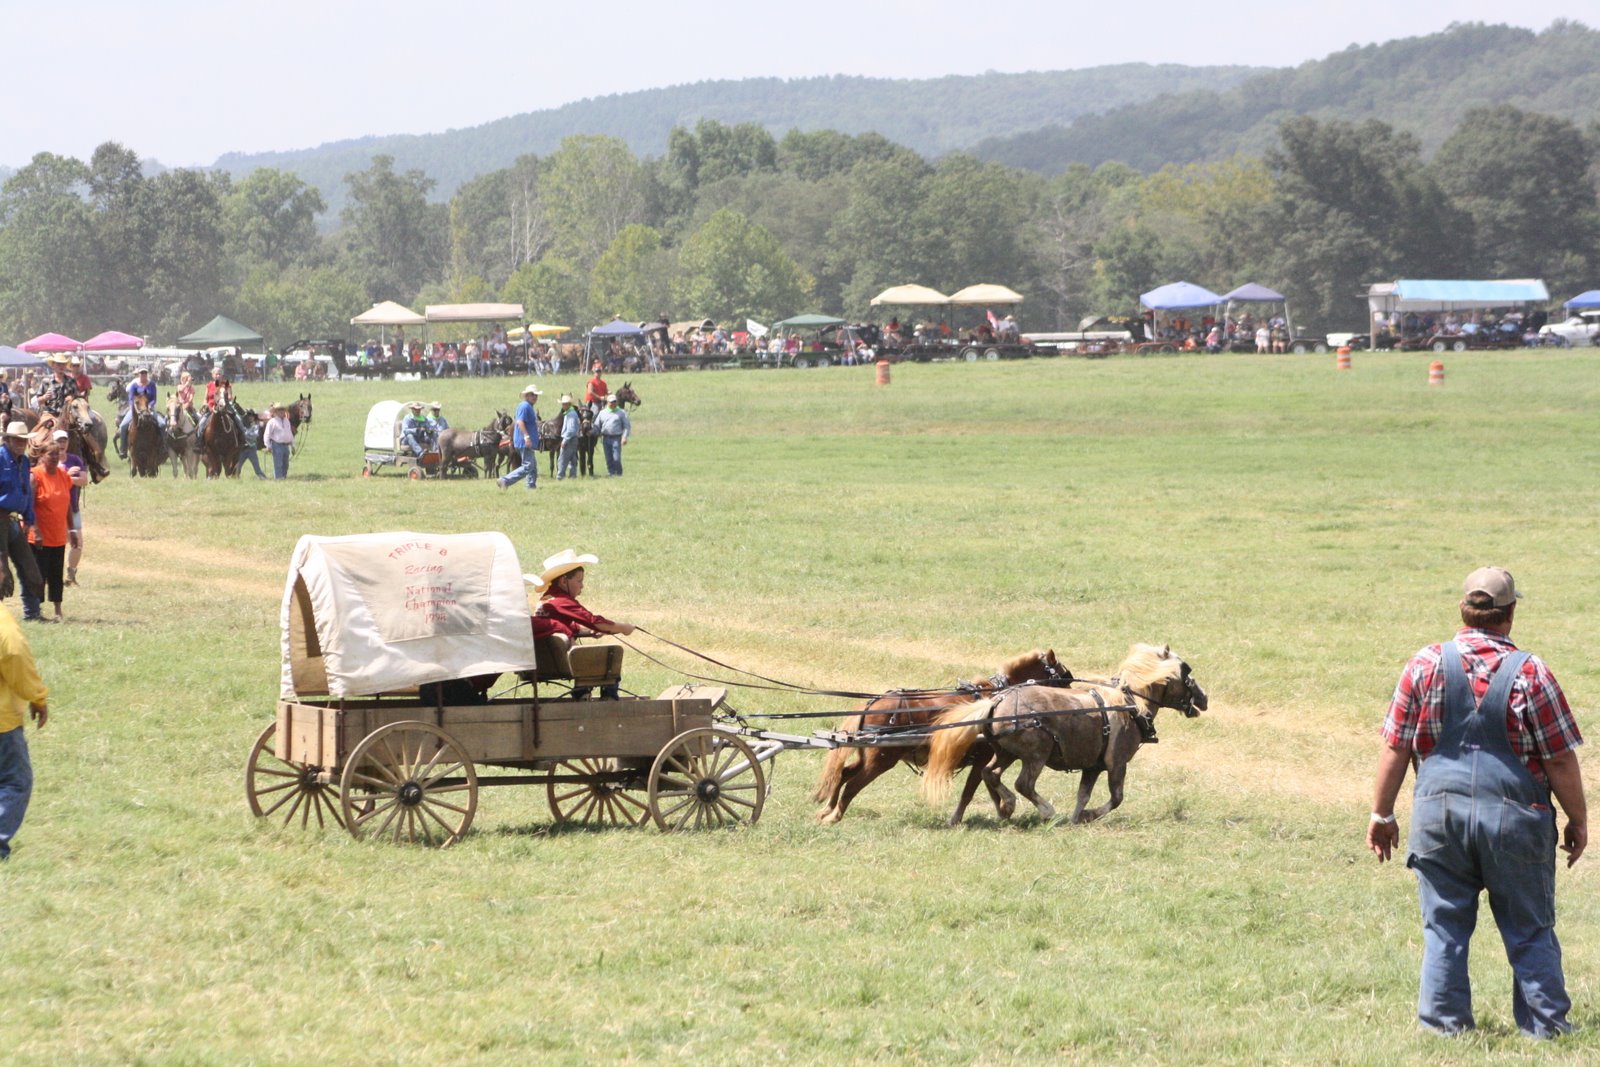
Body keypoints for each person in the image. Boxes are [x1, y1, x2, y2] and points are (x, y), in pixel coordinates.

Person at [1368, 566, 1587, 1039]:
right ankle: (1546, 1028)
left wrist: (1381, 814)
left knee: (1444, 929)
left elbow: (1396, 747)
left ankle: (1444, 1030)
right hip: (1517, 821)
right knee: (1529, 928)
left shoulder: (1424, 665)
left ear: (1464, 612)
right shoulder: (1531, 672)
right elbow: (1560, 760)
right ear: (1509, 616)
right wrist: (1578, 819)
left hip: (1438, 818)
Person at [527, 549, 635, 699]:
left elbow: (560, 626)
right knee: (611, 657)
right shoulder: (562, 601)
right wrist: (624, 628)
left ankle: (583, 692)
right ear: (564, 581)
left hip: (545, 660)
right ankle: (608, 699)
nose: (582, 586)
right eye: (579, 581)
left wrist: (589, 632)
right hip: (563, 662)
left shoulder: (546, 599)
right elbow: (594, 621)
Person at [0, 602, 49, 860]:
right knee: (15, 782)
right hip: (2, 725)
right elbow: (16, 657)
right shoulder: (4, 626)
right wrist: (37, 697)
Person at [25, 431, 84, 624]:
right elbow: (29, 505)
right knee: (39, 573)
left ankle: (58, 609)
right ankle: (36, 609)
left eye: (57, 453)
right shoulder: (35, 476)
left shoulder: (63, 476)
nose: (55, 457)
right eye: (51, 454)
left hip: (58, 535)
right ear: (42, 456)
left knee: (56, 574)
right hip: (39, 536)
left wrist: (72, 530)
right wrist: (35, 529)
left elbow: (67, 503)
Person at [0, 423, 41, 616]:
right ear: (7, 439)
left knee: (30, 568)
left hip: (15, 521)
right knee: (2, 572)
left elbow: (26, 493)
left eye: (23, 440)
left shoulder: (24, 462)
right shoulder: (0, 458)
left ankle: (33, 614)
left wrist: (28, 518)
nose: (20, 443)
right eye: (17, 439)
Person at [496, 384, 542, 490]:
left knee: (533, 466)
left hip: (525, 440)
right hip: (524, 441)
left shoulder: (528, 406)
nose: (535, 397)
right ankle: (505, 480)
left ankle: (530, 487)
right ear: (526, 396)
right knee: (528, 466)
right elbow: (520, 422)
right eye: (532, 395)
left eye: (536, 395)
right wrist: (527, 437)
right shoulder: (525, 406)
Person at [116, 367, 161, 458]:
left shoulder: (152, 385)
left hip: (149, 408)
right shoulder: (134, 385)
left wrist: (149, 406)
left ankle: (162, 447)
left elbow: (154, 399)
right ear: (139, 375)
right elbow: (130, 399)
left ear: (147, 375)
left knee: (162, 424)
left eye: (145, 373)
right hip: (136, 408)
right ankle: (123, 448)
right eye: (141, 373)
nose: (143, 375)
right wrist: (135, 407)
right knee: (123, 426)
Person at [594, 394, 631, 477]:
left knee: (616, 458)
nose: (613, 403)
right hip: (605, 438)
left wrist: (624, 437)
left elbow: (626, 426)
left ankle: (618, 473)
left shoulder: (621, 412)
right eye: (611, 402)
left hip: (616, 438)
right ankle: (611, 473)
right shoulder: (602, 413)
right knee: (608, 458)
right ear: (608, 402)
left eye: (614, 402)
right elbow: (597, 425)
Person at [264, 403, 295, 480]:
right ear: (276, 412)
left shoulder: (286, 421)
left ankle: (283, 477)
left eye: (283, 410)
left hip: (286, 445)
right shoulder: (272, 422)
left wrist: (293, 445)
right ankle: (278, 479)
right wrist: (268, 446)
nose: (282, 412)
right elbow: (267, 434)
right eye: (279, 410)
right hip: (277, 445)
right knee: (278, 463)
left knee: (286, 464)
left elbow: (289, 433)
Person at [555, 395, 581, 480]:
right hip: (573, 439)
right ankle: (572, 476)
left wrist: (565, 440)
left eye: (565, 404)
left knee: (562, 459)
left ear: (569, 404)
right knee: (572, 458)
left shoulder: (570, 414)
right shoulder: (571, 413)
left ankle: (560, 476)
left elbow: (570, 429)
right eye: (563, 404)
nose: (563, 406)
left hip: (569, 439)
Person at [238, 410, 268, 479]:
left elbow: (255, 435)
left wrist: (245, 434)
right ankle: (235, 478)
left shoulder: (256, 426)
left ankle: (263, 478)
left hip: (251, 449)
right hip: (243, 449)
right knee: (238, 466)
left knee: (256, 467)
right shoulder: (242, 425)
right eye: (249, 416)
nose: (250, 418)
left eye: (252, 416)